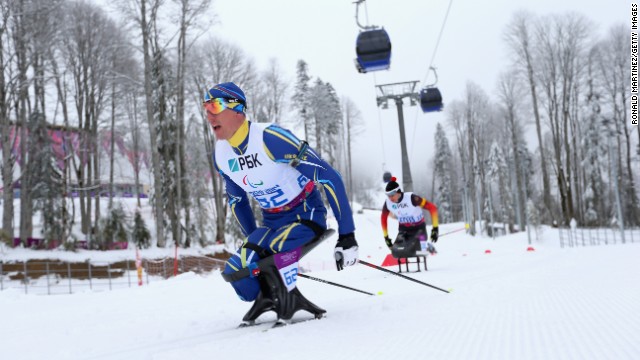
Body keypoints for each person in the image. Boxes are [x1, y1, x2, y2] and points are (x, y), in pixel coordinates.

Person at [204, 82, 359, 302]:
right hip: (272, 222)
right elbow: (238, 201)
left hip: (306, 215)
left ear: (238, 109)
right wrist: (253, 241)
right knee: (236, 272)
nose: (209, 114)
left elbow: (329, 177)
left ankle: (284, 296)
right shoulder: (221, 155)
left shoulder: (271, 138)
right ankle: (272, 298)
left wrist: (347, 236)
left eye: (216, 106)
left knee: (274, 249)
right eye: (206, 107)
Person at [381, 176, 439, 257]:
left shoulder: (412, 198)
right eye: (387, 195)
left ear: (398, 192)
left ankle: (427, 247)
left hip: (419, 228)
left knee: (421, 252)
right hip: (404, 230)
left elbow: (432, 208)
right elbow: (383, 219)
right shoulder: (388, 203)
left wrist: (435, 228)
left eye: (392, 194)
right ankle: (421, 248)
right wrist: (386, 237)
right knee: (396, 253)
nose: (390, 198)